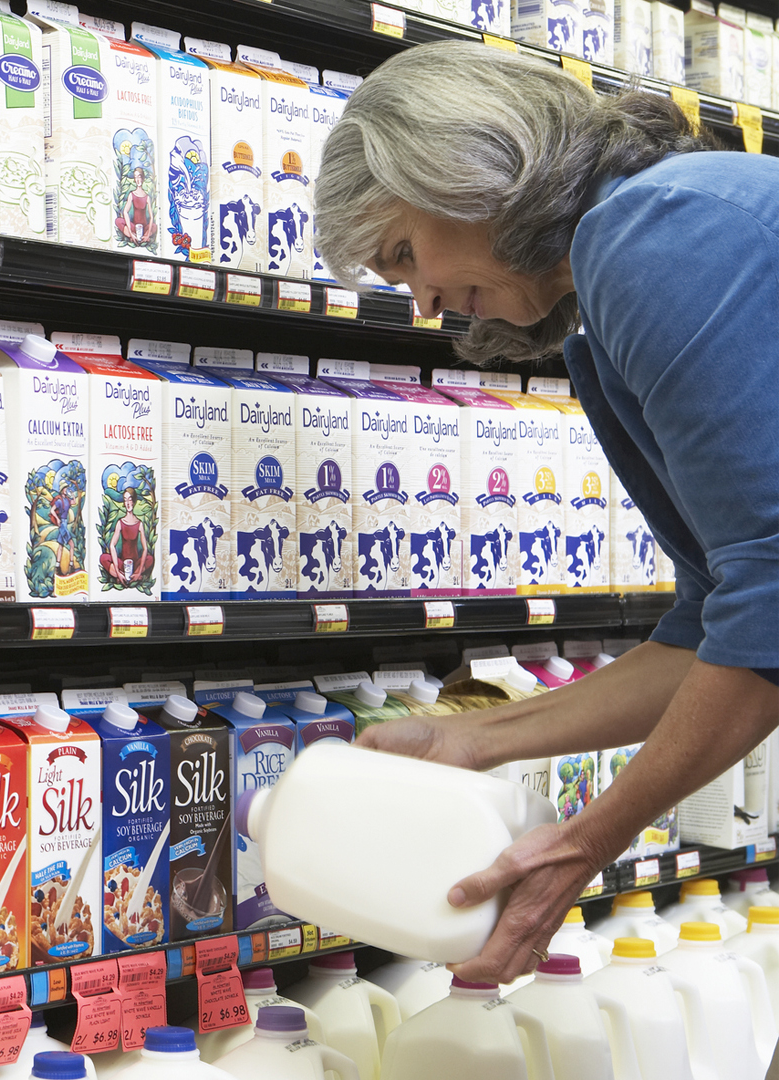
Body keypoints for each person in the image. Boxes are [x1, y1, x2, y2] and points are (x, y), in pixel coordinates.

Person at [314, 39, 779, 988]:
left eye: (406, 254)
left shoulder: (656, 234)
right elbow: (711, 624)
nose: (427, 300)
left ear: (476, 171)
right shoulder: (616, 287)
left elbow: (773, 601)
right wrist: (476, 739)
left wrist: (581, 842)